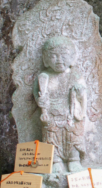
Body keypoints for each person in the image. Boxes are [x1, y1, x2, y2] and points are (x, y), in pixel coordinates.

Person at [33, 36, 87, 172]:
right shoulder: (44, 77)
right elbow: (38, 94)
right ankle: (55, 161)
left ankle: (74, 160)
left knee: (73, 136)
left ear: (72, 57)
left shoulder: (75, 75)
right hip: (51, 114)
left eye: (64, 56)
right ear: (45, 59)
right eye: (53, 56)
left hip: (70, 113)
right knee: (51, 137)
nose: (59, 60)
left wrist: (80, 93)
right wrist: (41, 101)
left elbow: (83, 96)